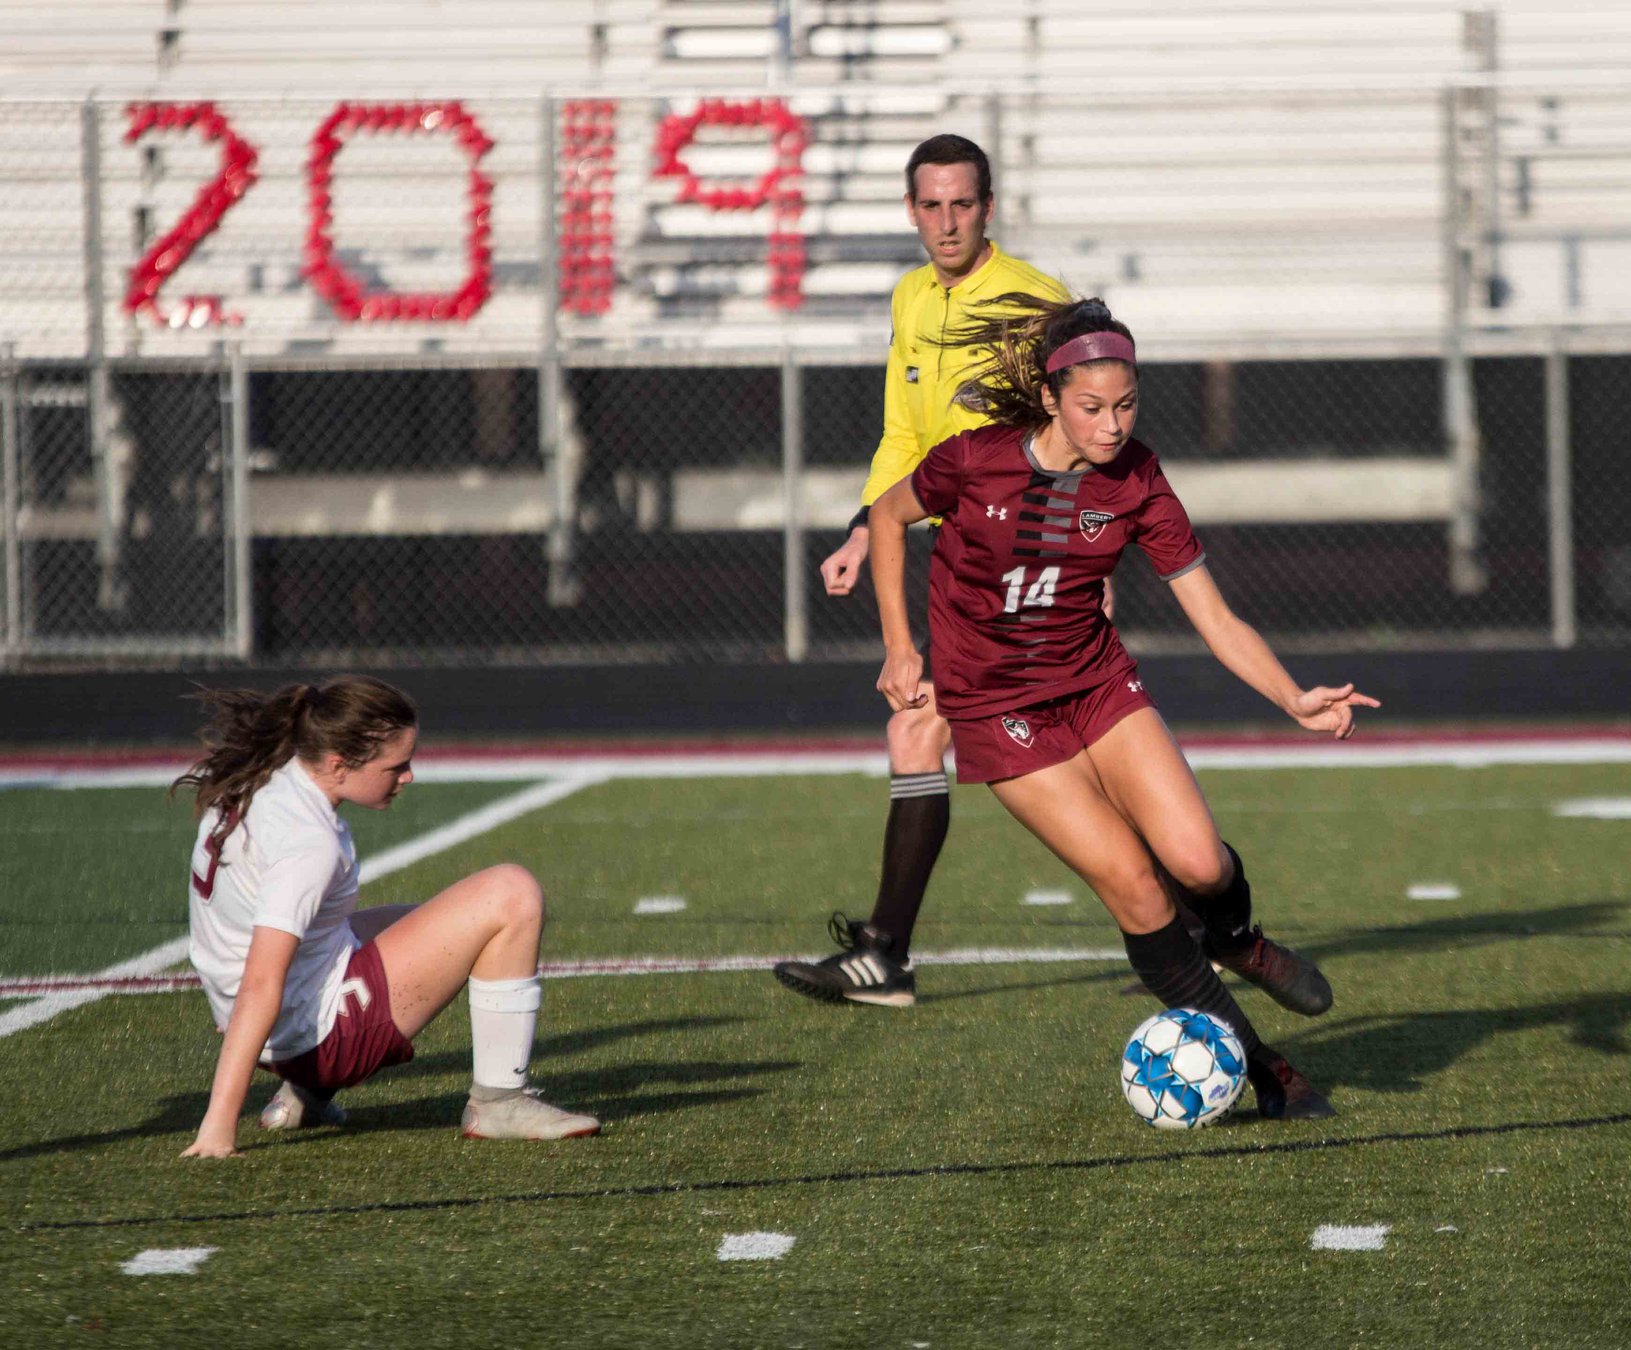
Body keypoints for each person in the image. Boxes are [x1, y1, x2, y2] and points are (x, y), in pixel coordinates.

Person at [864, 294, 1380, 1118]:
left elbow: (1211, 614)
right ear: (1050, 398)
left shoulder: (1137, 476)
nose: (1112, 425)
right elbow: (888, 519)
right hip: (999, 712)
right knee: (1139, 892)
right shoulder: (970, 461)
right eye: (1092, 408)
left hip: (1097, 682)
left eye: (1126, 404)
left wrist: (1293, 698)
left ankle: (1238, 941)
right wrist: (899, 644)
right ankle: (1264, 1070)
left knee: (1200, 865)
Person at [774, 133, 1077, 1008]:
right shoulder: (910, 296)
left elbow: (1082, 430)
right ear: (910, 211)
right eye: (930, 205)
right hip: (947, 548)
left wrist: (1057, 549)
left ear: (989, 206)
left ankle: (884, 955)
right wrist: (864, 531)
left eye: (962, 203)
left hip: (1013, 555)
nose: (946, 222)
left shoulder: (1034, 301)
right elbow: (904, 439)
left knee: (966, 734)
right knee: (985, 737)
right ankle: (884, 956)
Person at [174, 675, 600, 1156]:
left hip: (269, 1029)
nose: (408, 777)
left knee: (430, 927)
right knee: (512, 893)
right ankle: (499, 1101)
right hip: (315, 1043)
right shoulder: (306, 841)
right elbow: (260, 981)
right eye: (396, 766)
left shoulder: (263, 780)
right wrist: (218, 1125)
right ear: (338, 763)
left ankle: (304, 1094)